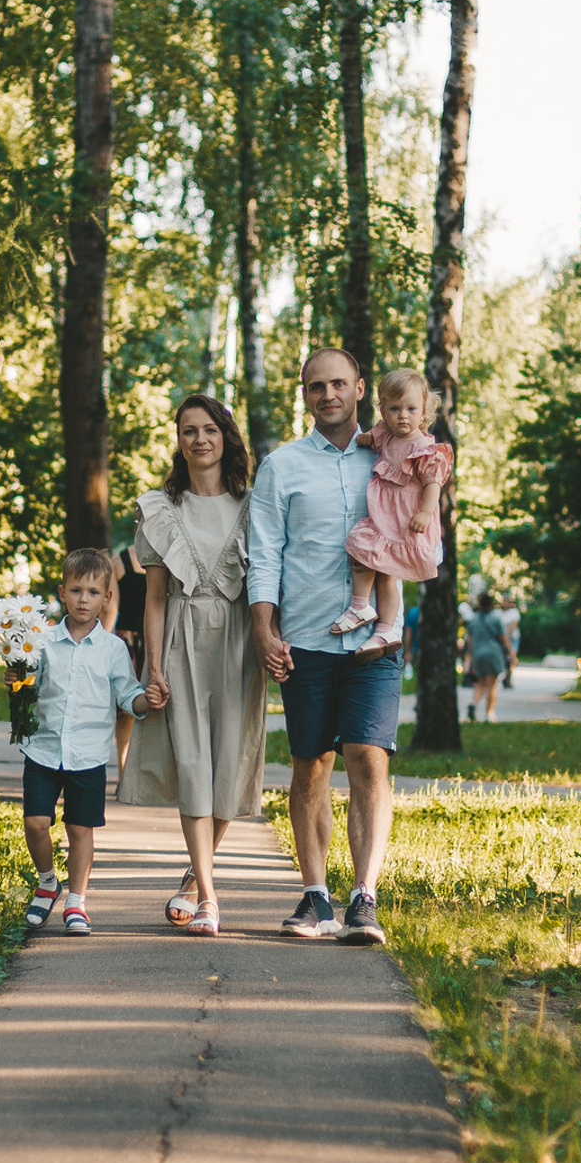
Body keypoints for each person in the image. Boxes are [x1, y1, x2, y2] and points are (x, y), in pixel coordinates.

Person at [248, 347, 401, 947]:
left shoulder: (389, 459)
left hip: (374, 641)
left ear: (360, 388)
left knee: (369, 757)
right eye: (317, 386)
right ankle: (315, 896)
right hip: (305, 638)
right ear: (305, 394)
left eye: (339, 384)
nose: (328, 394)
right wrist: (265, 626)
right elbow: (263, 554)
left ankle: (365, 896)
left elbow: (421, 524)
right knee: (311, 763)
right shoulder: (280, 467)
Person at [120, 395, 265, 937]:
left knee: (230, 760)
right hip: (181, 641)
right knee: (193, 763)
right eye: (188, 431)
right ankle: (208, 895)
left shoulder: (255, 505)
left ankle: (191, 875)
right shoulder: (162, 508)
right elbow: (154, 599)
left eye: (210, 429)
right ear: (178, 441)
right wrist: (152, 665)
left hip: (237, 644)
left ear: (226, 436)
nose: (200, 439)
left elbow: (267, 583)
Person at [20, 549, 158, 935]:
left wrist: (146, 700)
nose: (84, 599)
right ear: (62, 592)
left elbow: (126, 693)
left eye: (93, 592)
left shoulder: (114, 649)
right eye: (76, 590)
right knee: (35, 823)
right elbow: (27, 684)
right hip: (43, 750)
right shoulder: (43, 640)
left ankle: (77, 902)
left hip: (88, 756)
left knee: (80, 829)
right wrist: (15, 679)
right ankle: (48, 883)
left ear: (107, 598)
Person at [326, 368, 450, 655]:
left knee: (387, 576)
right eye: (394, 409)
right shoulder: (386, 436)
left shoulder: (425, 449)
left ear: (424, 413)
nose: (402, 415)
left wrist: (425, 513)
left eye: (410, 409)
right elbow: (372, 438)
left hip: (406, 520)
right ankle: (361, 606)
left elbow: (433, 484)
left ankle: (384, 630)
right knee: (361, 551)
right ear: (383, 410)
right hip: (384, 517)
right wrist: (367, 438)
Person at [108, 540, 147, 791]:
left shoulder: (119, 560)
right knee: (126, 711)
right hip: (135, 642)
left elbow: (111, 608)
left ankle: (126, 774)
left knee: (127, 713)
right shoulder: (117, 561)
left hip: (143, 641)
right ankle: (125, 773)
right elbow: (110, 607)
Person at [463, 588, 512, 724]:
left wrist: (470, 656)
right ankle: (490, 714)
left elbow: (470, 640)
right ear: (491, 604)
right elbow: (504, 638)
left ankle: (473, 703)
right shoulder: (496, 618)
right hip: (493, 653)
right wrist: (511, 654)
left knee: (479, 683)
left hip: (478, 654)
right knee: (492, 684)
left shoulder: (473, 620)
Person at [500, 590, 522, 689]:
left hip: (513, 638)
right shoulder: (498, 613)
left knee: (511, 658)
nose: (505, 603)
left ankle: (508, 677)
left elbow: (515, 624)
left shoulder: (514, 612)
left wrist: (505, 630)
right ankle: (506, 676)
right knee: (505, 659)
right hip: (502, 639)